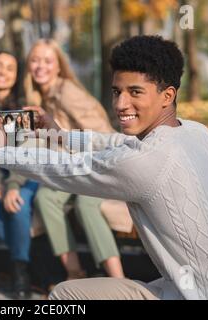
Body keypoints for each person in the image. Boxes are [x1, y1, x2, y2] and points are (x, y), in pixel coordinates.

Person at [0, 35, 208, 300]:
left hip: (197, 294)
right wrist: (60, 136)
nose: (120, 104)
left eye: (135, 92)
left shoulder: (143, 161)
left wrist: (1, 153)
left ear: (167, 95)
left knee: (66, 296)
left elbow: (67, 169)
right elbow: (116, 143)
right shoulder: (197, 133)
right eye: (117, 91)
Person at [23, 39, 125, 282]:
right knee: (45, 197)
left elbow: (102, 137)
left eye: (48, 61)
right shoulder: (40, 97)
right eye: (35, 60)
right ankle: (74, 273)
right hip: (73, 170)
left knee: (85, 203)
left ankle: (120, 281)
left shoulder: (67, 92)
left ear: (59, 66)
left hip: (101, 165)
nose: (40, 66)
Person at [0, 51, 38, 299]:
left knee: (18, 206)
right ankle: (27, 256)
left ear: (16, 76)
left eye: (10, 68)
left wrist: (12, 184)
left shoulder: (22, 107)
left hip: (26, 174)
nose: (3, 72)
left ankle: (20, 271)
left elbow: (26, 154)